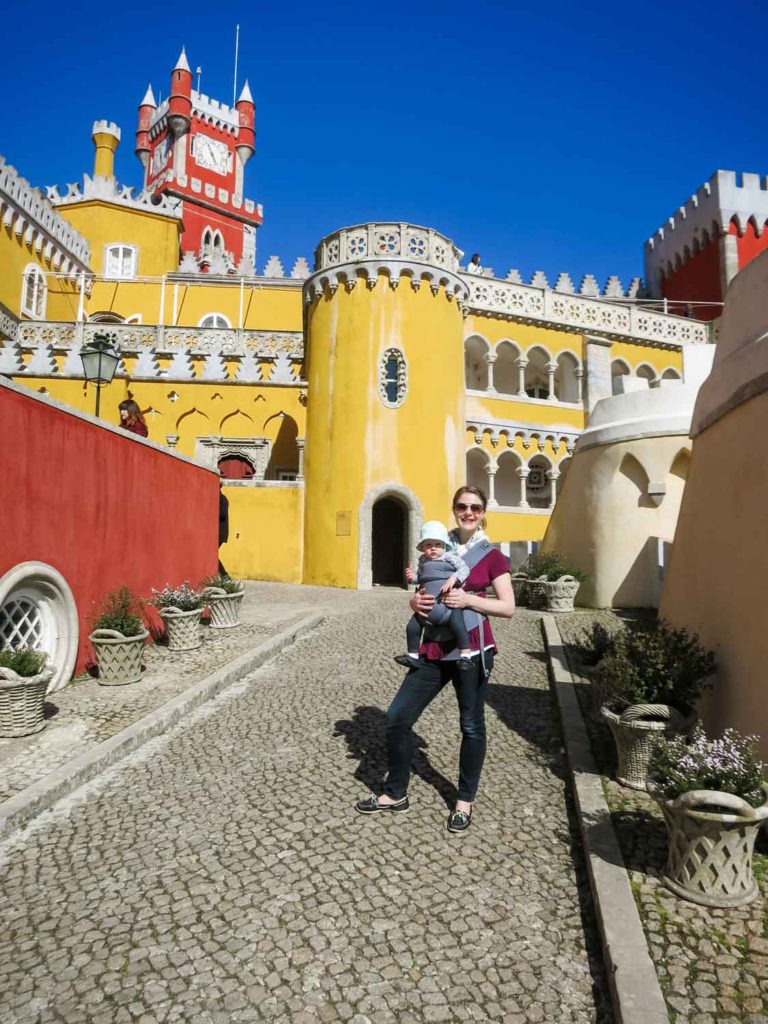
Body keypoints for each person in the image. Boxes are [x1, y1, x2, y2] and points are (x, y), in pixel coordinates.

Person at [356, 486, 514, 833]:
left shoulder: (492, 556)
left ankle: (463, 801)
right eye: (462, 506)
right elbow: (424, 590)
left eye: (475, 507)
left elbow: (508, 607)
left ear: (484, 511)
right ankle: (396, 792)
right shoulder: (435, 548)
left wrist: (468, 601)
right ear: (454, 509)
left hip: (472, 648)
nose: (468, 512)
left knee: (471, 725)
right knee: (397, 717)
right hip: (433, 650)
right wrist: (414, 602)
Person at [395, 520, 472, 668]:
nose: (433, 549)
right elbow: (420, 579)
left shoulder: (449, 557)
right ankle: (412, 655)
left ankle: (466, 655)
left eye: (437, 545)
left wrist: (454, 578)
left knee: (458, 625)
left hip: (448, 606)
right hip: (426, 609)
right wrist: (412, 577)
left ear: (444, 546)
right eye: (428, 545)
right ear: (423, 547)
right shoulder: (422, 561)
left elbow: (465, 569)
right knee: (412, 626)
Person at [218, 473, 230, 578]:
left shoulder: (222, 498)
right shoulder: (218, 497)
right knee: (212, 555)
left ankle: (224, 576)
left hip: (220, 533)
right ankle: (224, 576)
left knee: (211, 555)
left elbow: (222, 514)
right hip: (218, 533)